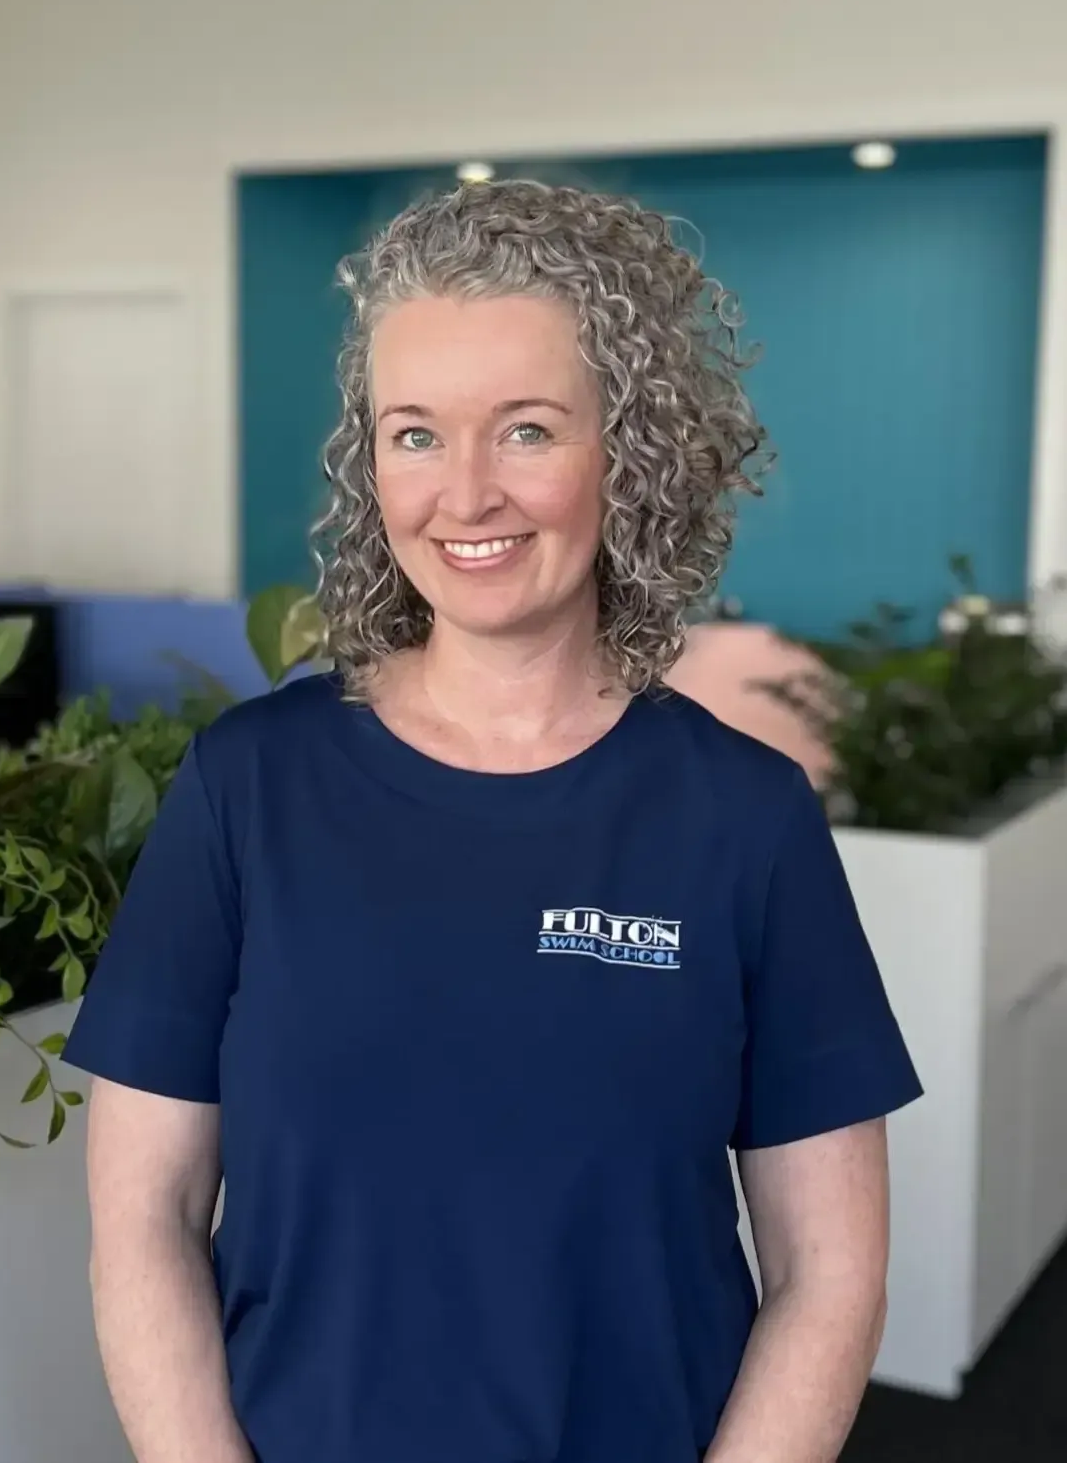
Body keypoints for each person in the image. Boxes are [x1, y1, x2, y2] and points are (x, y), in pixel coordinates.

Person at [63, 180, 923, 1463]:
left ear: (626, 453)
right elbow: (146, 1213)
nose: (464, 494)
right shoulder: (248, 786)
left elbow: (826, 1268)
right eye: (414, 434)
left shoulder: (743, 818)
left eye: (524, 430)